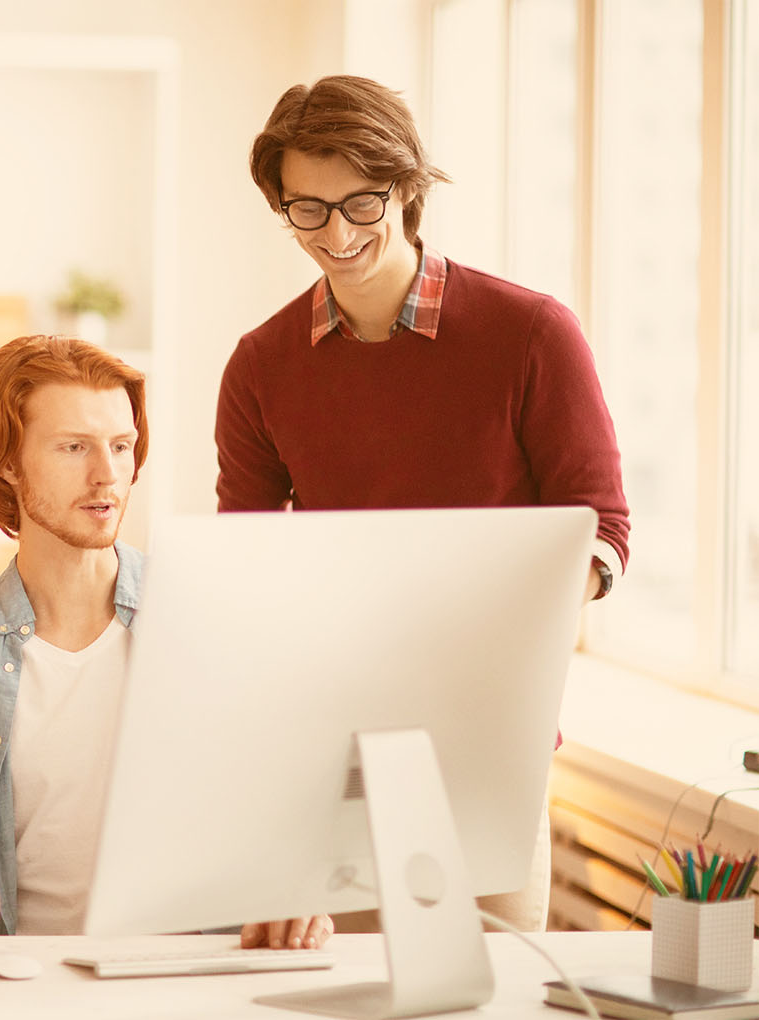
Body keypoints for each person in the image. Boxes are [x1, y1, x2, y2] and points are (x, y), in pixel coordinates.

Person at [215, 75, 631, 930]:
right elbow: (249, 568)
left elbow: (600, 528)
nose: (336, 234)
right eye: (308, 209)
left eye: (361, 204)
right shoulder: (260, 366)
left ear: (406, 188)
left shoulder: (531, 335)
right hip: (333, 754)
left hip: (492, 741)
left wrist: (504, 625)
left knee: (497, 989)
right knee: (348, 991)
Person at [0, 334, 331, 960]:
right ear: (7, 462)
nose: (108, 473)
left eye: (121, 446)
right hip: (18, 986)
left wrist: (295, 890)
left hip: (187, 981)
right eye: (73, 447)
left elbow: (281, 817)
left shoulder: (211, 620)